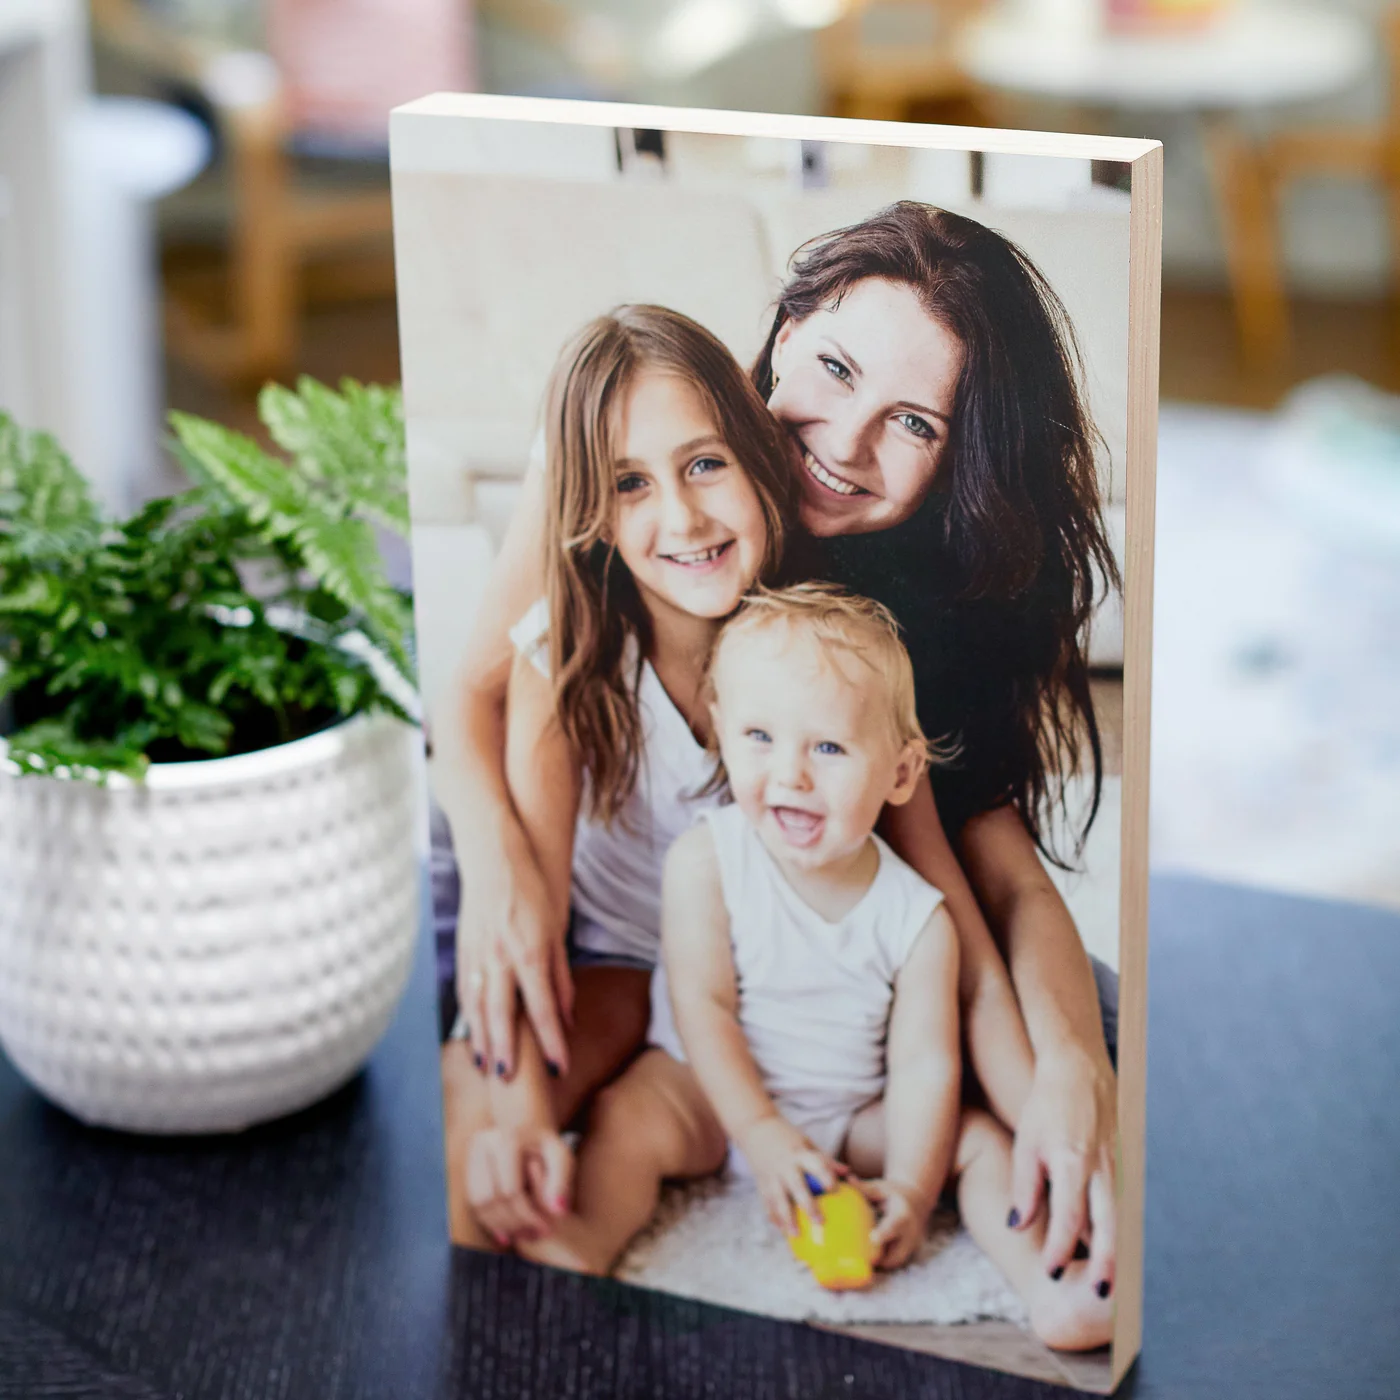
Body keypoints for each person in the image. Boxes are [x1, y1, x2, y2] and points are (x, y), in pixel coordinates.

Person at [447, 202, 1119, 1296]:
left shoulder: (894, 613)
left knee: (1088, 1036)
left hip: (819, 920)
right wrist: (499, 877)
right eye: (834, 369)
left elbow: (980, 871)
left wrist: (1066, 1075)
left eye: (914, 423)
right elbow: (473, 698)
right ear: (785, 326)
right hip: (608, 900)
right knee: (478, 1062)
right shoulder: (636, 445)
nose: (846, 442)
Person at [512, 585, 1111, 1353]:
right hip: (711, 1097)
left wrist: (910, 1187)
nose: (790, 774)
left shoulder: (919, 916)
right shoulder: (708, 860)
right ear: (721, 731)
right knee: (627, 1118)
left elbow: (926, 1064)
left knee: (979, 1143)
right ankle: (583, 1244)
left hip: (851, 1113)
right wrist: (759, 1134)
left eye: (827, 748)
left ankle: (1049, 1279)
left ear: (900, 773)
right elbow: (704, 1009)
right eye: (759, 736)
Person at [440, 302, 795, 1250]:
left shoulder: (809, 652)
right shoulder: (561, 665)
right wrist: (520, 1119)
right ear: (591, 506)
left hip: (743, 975)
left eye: (706, 463)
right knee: (478, 1119)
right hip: (605, 956)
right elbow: (538, 939)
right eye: (631, 484)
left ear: (758, 455)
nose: (681, 517)